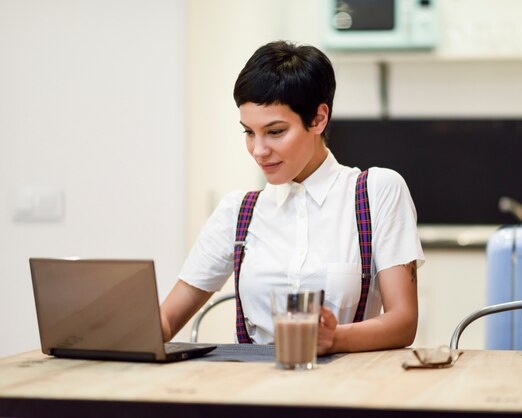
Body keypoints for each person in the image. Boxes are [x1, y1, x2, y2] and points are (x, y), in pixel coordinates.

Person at [160, 40, 425, 355]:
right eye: (248, 132)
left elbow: (403, 322)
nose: (258, 150)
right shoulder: (237, 211)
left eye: (274, 132)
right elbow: (166, 320)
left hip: (347, 385)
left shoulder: (376, 192)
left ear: (317, 119)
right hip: (249, 390)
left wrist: (334, 339)